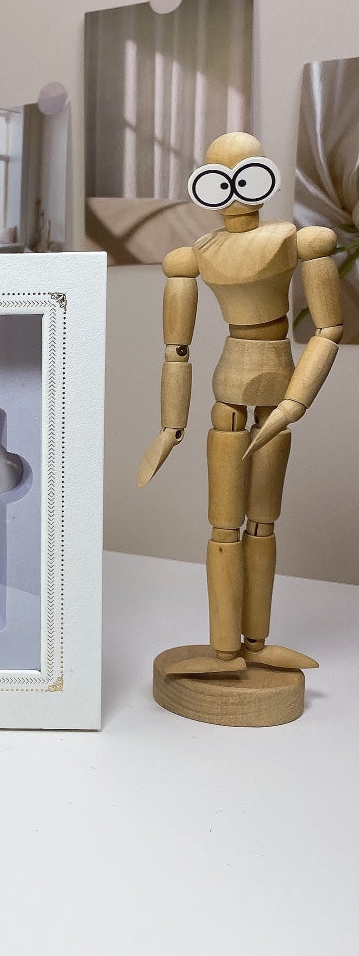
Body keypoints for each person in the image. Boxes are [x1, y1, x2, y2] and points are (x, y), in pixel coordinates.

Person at [137, 132, 342, 675]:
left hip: (278, 390)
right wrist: (170, 425)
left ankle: (255, 643)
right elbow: (176, 348)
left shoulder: (295, 240)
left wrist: (296, 400)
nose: (231, 193)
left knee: (263, 524)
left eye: (243, 178)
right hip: (229, 392)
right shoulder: (195, 255)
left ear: (261, 178)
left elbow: (329, 329)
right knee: (225, 525)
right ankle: (225, 649)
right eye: (217, 182)